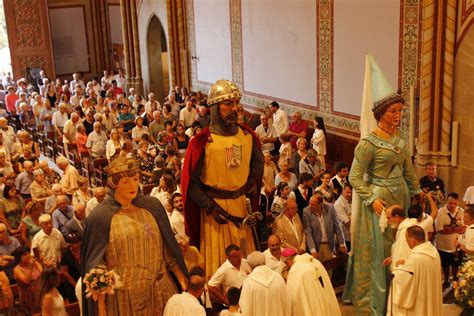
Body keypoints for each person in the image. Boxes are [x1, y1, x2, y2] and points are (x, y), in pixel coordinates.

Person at [342, 55, 421, 315]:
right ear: (380, 114)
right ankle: (377, 299)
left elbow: (408, 169)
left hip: (401, 196)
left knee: (402, 243)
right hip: (380, 200)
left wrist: (418, 192)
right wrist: (370, 198)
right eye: (393, 111)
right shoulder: (368, 144)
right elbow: (354, 177)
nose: (398, 116)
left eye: (400, 111)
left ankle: (402, 294)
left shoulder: (400, 139)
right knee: (383, 249)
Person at [81, 156, 188, 315]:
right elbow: (96, 262)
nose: (133, 185)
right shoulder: (100, 217)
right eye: (126, 182)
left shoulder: (152, 206)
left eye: (136, 179)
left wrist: (183, 282)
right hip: (126, 301)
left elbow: (168, 249)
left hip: (162, 291)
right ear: (114, 184)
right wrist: (101, 304)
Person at [182, 79, 264, 276]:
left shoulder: (247, 136)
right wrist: (209, 206)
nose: (234, 108)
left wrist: (253, 180)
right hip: (214, 211)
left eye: (236, 103)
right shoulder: (202, 142)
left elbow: (258, 162)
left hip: (241, 207)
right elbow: (190, 184)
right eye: (228, 104)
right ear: (214, 107)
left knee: (245, 263)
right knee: (218, 264)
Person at [388, 226, 442, 316]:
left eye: (406, 239)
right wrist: (406, 264)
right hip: (430, 296)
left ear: (413, 240)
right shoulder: (433, 251)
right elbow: (420, 269)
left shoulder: (416, 257)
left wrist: (398, 267)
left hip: (419, 301)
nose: (406, 241)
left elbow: (403, 279)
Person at [239, 251, 289, 316]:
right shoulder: (278, 277)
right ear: (264, 262)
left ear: (250, 265)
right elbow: (287, 303)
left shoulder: (249, 283)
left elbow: (246, 309)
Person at [302, 194, 347, 264]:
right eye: (310, 203)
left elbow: (337, 226)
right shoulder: (306, 211)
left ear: (320, 204)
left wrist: (342, 243)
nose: (310, 206)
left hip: (329, 245)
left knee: (329, 270)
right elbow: (308, 232)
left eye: (313, 204)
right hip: (316, 246)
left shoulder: (330, 208)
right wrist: (313, 250)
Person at [434, 192, 465, 287]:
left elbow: (463, 228)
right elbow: (440, 230)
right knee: (445, 264)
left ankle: (455, 278)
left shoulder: (461, 211)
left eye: (455, 203)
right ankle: (446, 280)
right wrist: (456, 229)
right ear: (446, 201)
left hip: (456, 245)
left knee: (456, 264)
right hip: (443, 245)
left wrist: (449, 228)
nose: (453, 205)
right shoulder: (440, 212)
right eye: (450, 203)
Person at [13, 246, 43, 315]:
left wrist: (41, 263)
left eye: (28, 253)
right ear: (19, 258)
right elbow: (26, 281)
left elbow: (42, 274)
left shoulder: (34, 263)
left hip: (39, 293)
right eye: (24, 255)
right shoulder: (17, 269)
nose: (27, 256)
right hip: (28, 297)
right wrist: (30, 267)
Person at [334, 184, 352, 250]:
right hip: (346, 237)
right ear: (342, 190)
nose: (350, 195)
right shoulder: (338, 204)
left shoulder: (353, 200)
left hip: (355, 235)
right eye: (347, 192)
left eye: (351, 193)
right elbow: (347, 222)